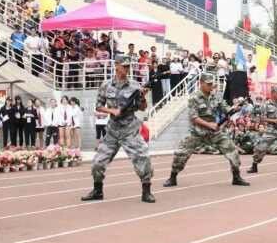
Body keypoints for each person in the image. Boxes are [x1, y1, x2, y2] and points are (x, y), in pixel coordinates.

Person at [81, 55, 156, 203]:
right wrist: (112, 111)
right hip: (113, 130)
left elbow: (142, 108)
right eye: (125, 66)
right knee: (98, 162)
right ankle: (97, 190)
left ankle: (146, 191)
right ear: (117, 66)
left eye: (129, 66)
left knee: (143, 158)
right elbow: (98, 105)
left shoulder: (135, 85)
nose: (127, 69)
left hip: (130, 129)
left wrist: (142, 98)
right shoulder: (106, 85)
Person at [163, 73, 250, 187]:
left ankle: (236, 177)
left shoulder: (215, 97)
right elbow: (194, 118)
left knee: (231, 149)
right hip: (197, 132)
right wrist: (209, 125)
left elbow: (225, 109)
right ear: (201, 83)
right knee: (181, 153)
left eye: (211, 84)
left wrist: (235, 108)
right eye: (208, 84)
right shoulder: (194, 98)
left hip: (214, 132)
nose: (210, 86)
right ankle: (172, 177)